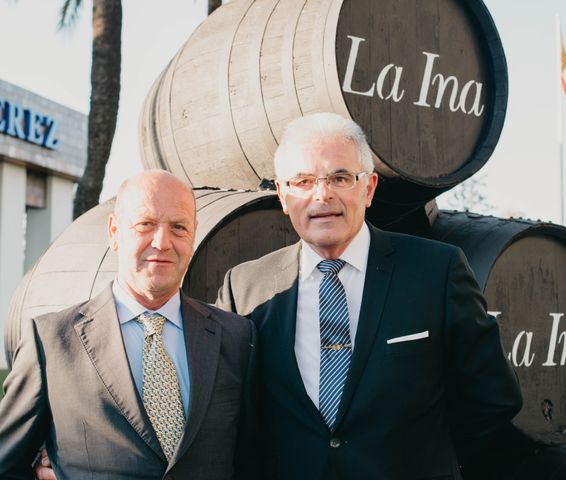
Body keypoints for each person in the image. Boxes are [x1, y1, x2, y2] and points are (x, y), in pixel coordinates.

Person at [216, 112, 523, 479]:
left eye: (340, 177)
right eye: (303, 181)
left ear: (369, 188)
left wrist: (427, 461)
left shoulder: (436, 272)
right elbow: (229, 413)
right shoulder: (245, 287)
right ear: (283, 195)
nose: (322, 194)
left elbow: (493, 397)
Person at [0, 170, 255, 479]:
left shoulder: (237, 337)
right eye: (145, 224)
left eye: (178, 227)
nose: (162, 242)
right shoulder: (51, 341)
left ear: (193, 234)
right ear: (114, 231)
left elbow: (254, 456)